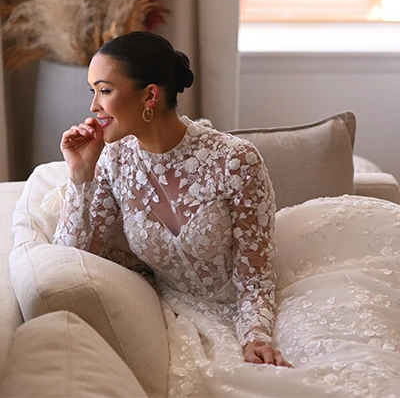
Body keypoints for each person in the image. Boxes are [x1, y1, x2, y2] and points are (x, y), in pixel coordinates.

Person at [53, 31, 291, 393]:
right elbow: (70, 262)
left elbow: (255, 276)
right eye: (93, 91)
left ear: (150, 95)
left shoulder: (236, 160)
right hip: (173, 316)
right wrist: (81, 174)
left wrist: (255, 338)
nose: (93, 108)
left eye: (104, 90)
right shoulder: (113, 162)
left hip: (251, 307)